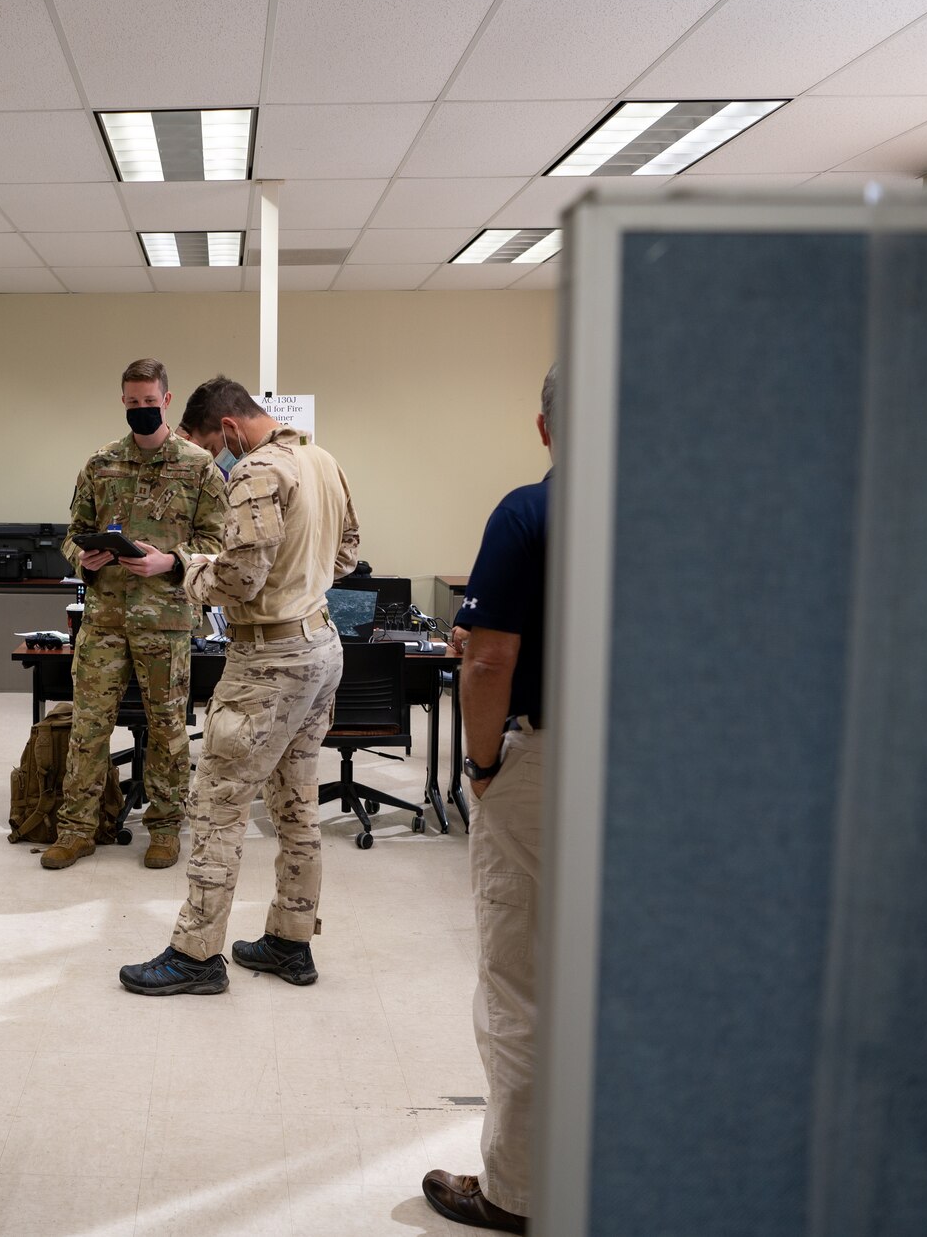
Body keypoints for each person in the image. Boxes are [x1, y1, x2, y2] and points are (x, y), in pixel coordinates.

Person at [119, 377, 359, 996]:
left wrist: (182, 569)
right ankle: (290, 941)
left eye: (208, 445)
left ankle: (196, 955)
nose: (213, 459)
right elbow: (348, 553)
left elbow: (240, 582)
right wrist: (299, 583)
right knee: (296, 800)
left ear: (227, 429)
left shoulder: (255, 472)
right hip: (319, 646)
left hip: (268, 661)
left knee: (217, 806)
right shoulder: (320, 458)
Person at [422, 364, 556, 1234]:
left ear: (546, 427)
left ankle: (517, 1192)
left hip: (550, 764)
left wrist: (479, 767)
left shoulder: (529, 514)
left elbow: (487, 661)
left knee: (522, 976)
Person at [50, 358, 226, 871]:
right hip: (103, 618)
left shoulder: (198, 466)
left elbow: (219, 544)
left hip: (166, 619)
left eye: (150, 403)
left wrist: (169, 561)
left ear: (167, 401)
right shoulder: (101, 463)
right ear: (122, 401)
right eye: (133, 404)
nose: (142, 411)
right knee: (88, 727)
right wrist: (81, 556)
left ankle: (167, 828)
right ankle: (77, 829)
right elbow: (71, 531)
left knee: (168, 728)